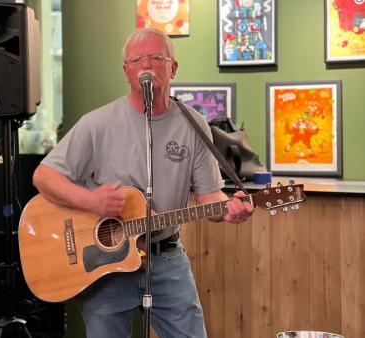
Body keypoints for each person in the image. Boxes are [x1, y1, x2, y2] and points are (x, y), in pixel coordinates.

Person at [33, 28, 254, 338]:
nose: (146, 65)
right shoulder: (97, 124)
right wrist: (92, 201)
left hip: (166, 260)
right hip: (105, 266)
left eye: (155, 57)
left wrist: (228, 210)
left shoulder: (194, 125)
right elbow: (43, 176)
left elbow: (210, 197)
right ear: (126, 71)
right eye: (136, 59)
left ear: (173, 67)